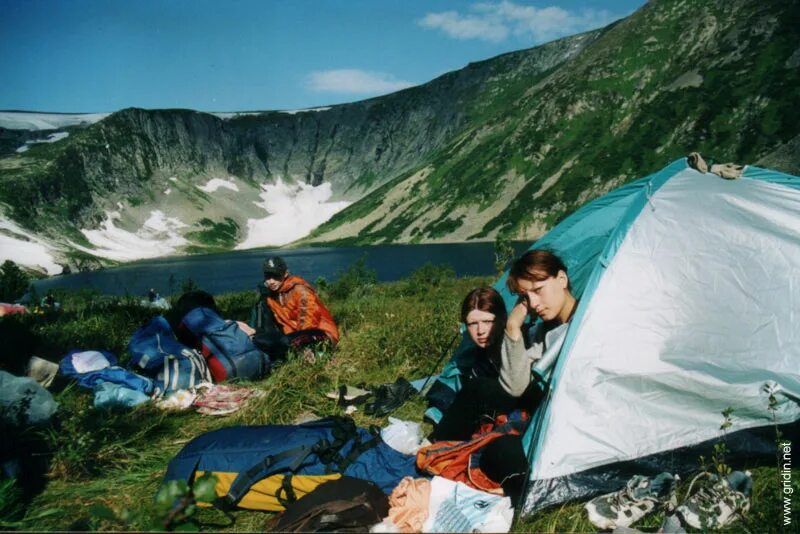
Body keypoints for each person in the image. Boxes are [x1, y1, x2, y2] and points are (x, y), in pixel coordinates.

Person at [430, 250, 578, 504]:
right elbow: (516, 384)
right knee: (478, 389)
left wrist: (511, 328)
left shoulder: (584, 324)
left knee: (499, 447)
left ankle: (520, 498)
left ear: (562, 279)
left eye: (538, 290)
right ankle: (437, 448)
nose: (533, 303)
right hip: (534, 404)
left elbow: (514, 388)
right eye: (524, 296)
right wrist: (513, 327)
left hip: (555, 415)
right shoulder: (545, 329)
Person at [425, 287, 507, 417]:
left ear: (502, 320)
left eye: (487, 322)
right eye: (473, 324)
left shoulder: (514, 347)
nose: (480, 330)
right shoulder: (476, 354)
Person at [251, 256, 339, 361]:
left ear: (285, 274)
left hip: (320, 333)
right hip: (294, 336)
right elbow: (285, 324)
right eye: (268, 277)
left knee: (285, 342)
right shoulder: (271, 296)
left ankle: (316, 355)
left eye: (276, 276)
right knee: (261, 341)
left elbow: (308, 321)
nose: (271, 281)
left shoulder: (300, 290)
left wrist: (295, 341)